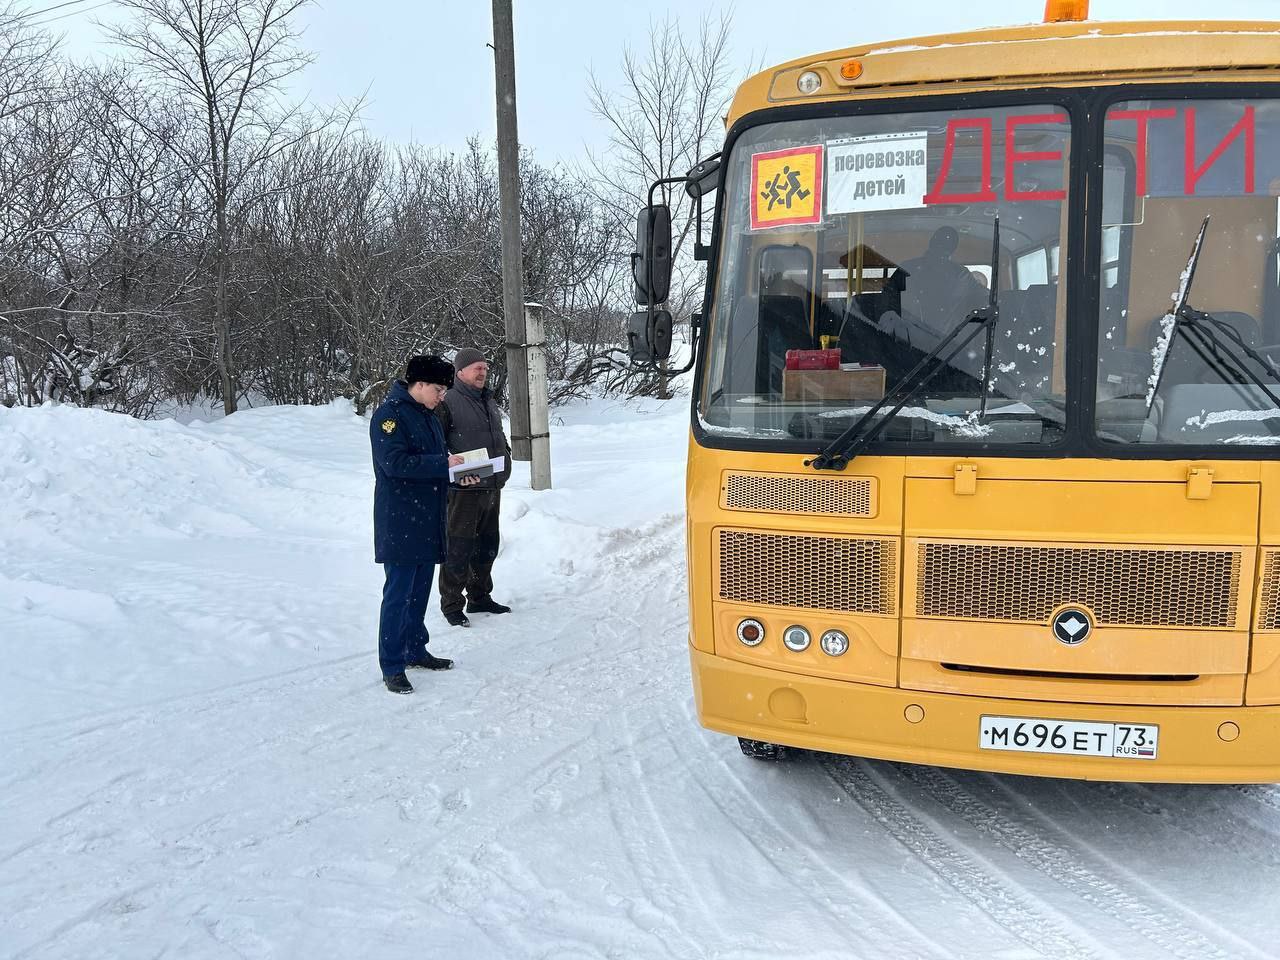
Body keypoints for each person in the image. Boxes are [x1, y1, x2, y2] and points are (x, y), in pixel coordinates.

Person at [369, 355, 478, 695]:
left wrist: (460, 476)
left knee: (418, 594)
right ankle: (392, 664)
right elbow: (395, 463)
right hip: (400, 519)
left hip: (428, 517)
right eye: (437, 388)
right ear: (417, 384)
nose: (441, 395)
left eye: (444, 389)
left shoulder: (428, 416)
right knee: (398, 595)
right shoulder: (389, 416)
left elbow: (436, 466)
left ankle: (416, 649)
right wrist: (441, 464)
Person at [435, 348, 513, 628]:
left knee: (487, 545)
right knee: (458, 547)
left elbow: (497, 436)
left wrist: (506, 453)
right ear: (460, 373)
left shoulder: (487, 399)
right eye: (476, 368)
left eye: (484, 367)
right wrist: (451, 471)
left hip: (491, 484)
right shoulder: (448, 401)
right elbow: (436, 445)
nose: (482, 372)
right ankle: (452, 604)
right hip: (463, 490)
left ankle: (480, 596)